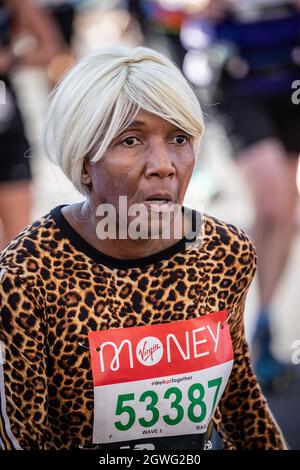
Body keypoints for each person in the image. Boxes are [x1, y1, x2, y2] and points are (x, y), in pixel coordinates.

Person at [0, 45, 287, 450]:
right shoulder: (27, 275)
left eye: (179, 138)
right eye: (131, 140)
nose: (164, 164)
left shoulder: (224, 252)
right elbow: (22, 438)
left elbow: (240, 405)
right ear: (84, 160)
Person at [193, 0, 300, 390]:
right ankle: (229, 316)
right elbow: (168, 9)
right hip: (238, 82)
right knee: (272, 202)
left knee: (285, 212)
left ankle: (263, 323)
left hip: (291, 81)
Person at [0, 0, 64, 249]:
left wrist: (11, 59)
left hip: (7, 127)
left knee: (16, 243)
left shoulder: (15, 4)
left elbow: (52, 48)